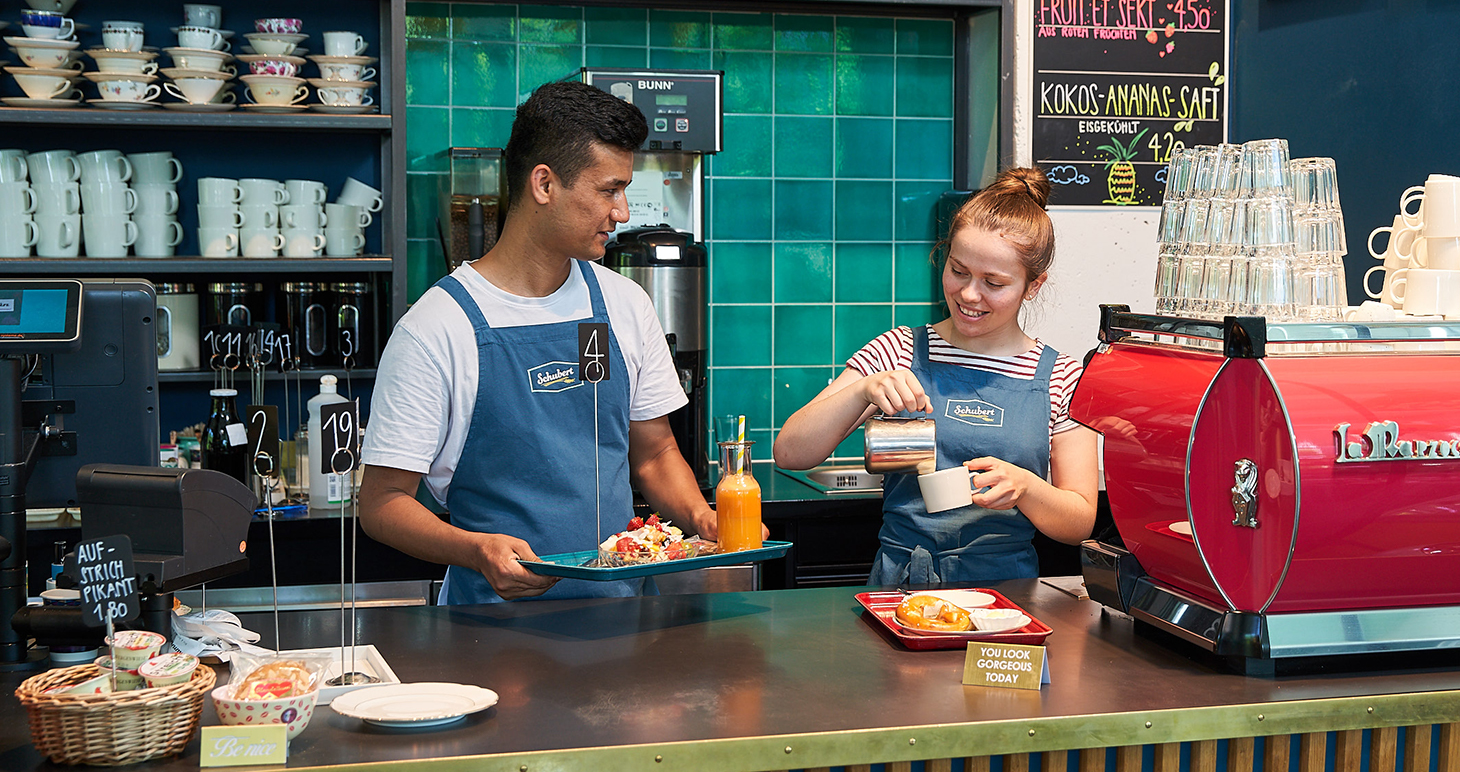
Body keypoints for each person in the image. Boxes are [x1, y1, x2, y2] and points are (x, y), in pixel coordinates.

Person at [360, 81, 715, 603]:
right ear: (544, 184)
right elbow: (382, 503)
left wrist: (705, 518)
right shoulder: (436, 328)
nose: (623, 213)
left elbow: (656, 453)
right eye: (608, 190)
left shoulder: (626, 304)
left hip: (623, 630)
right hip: (491, 634)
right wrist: (476, 550)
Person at [773, 168, 1098, 587]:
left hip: (1006, 599)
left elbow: (1079, 520)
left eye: (993, 283)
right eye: (958, 271)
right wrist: (862, 391)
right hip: (902, 589)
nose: (968, 294)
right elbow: (790, 453)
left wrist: (1026, 488)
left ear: (1033, 286)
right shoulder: (899, 350)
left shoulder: (1063, 377)